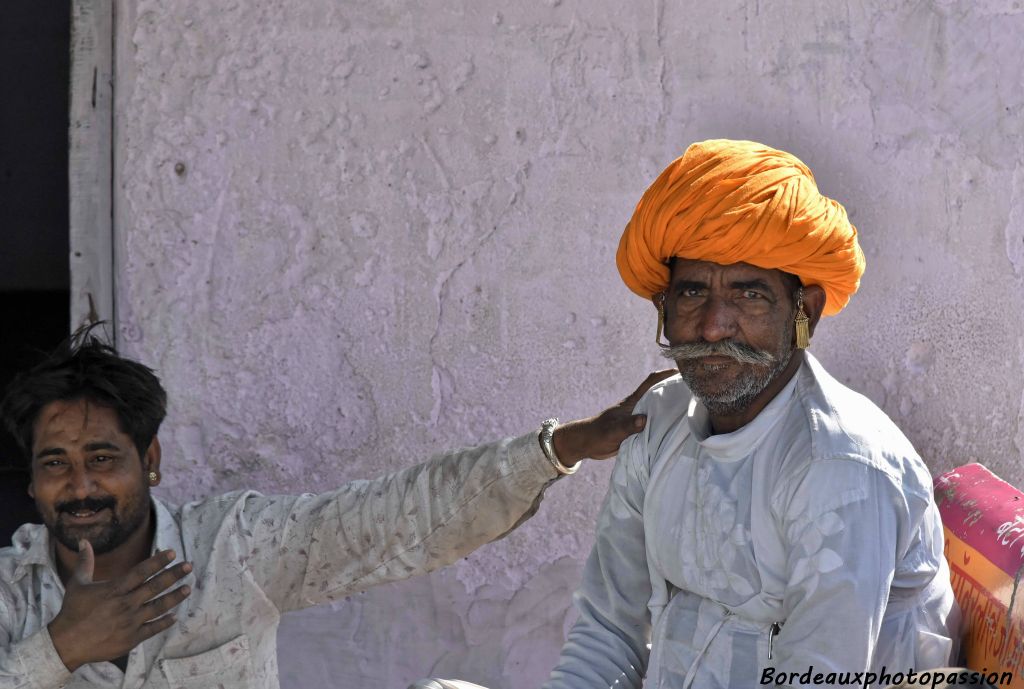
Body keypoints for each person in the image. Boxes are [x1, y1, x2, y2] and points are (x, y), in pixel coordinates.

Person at [415, 139, 960, 689]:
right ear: (664, 308)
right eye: (693, 292)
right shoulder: (659, 422)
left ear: (805, 313)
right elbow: (609, 630)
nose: (714, 325)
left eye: (749, 295)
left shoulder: (839, 467)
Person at [0, 326, 673, 689]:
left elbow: (400, 517)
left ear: (150, 459)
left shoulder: (233, 548)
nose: (80, 485)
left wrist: (563, 445)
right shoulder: (10, 593)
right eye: (54, 463)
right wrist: (61, 648)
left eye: (102, 457)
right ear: (30, 483)